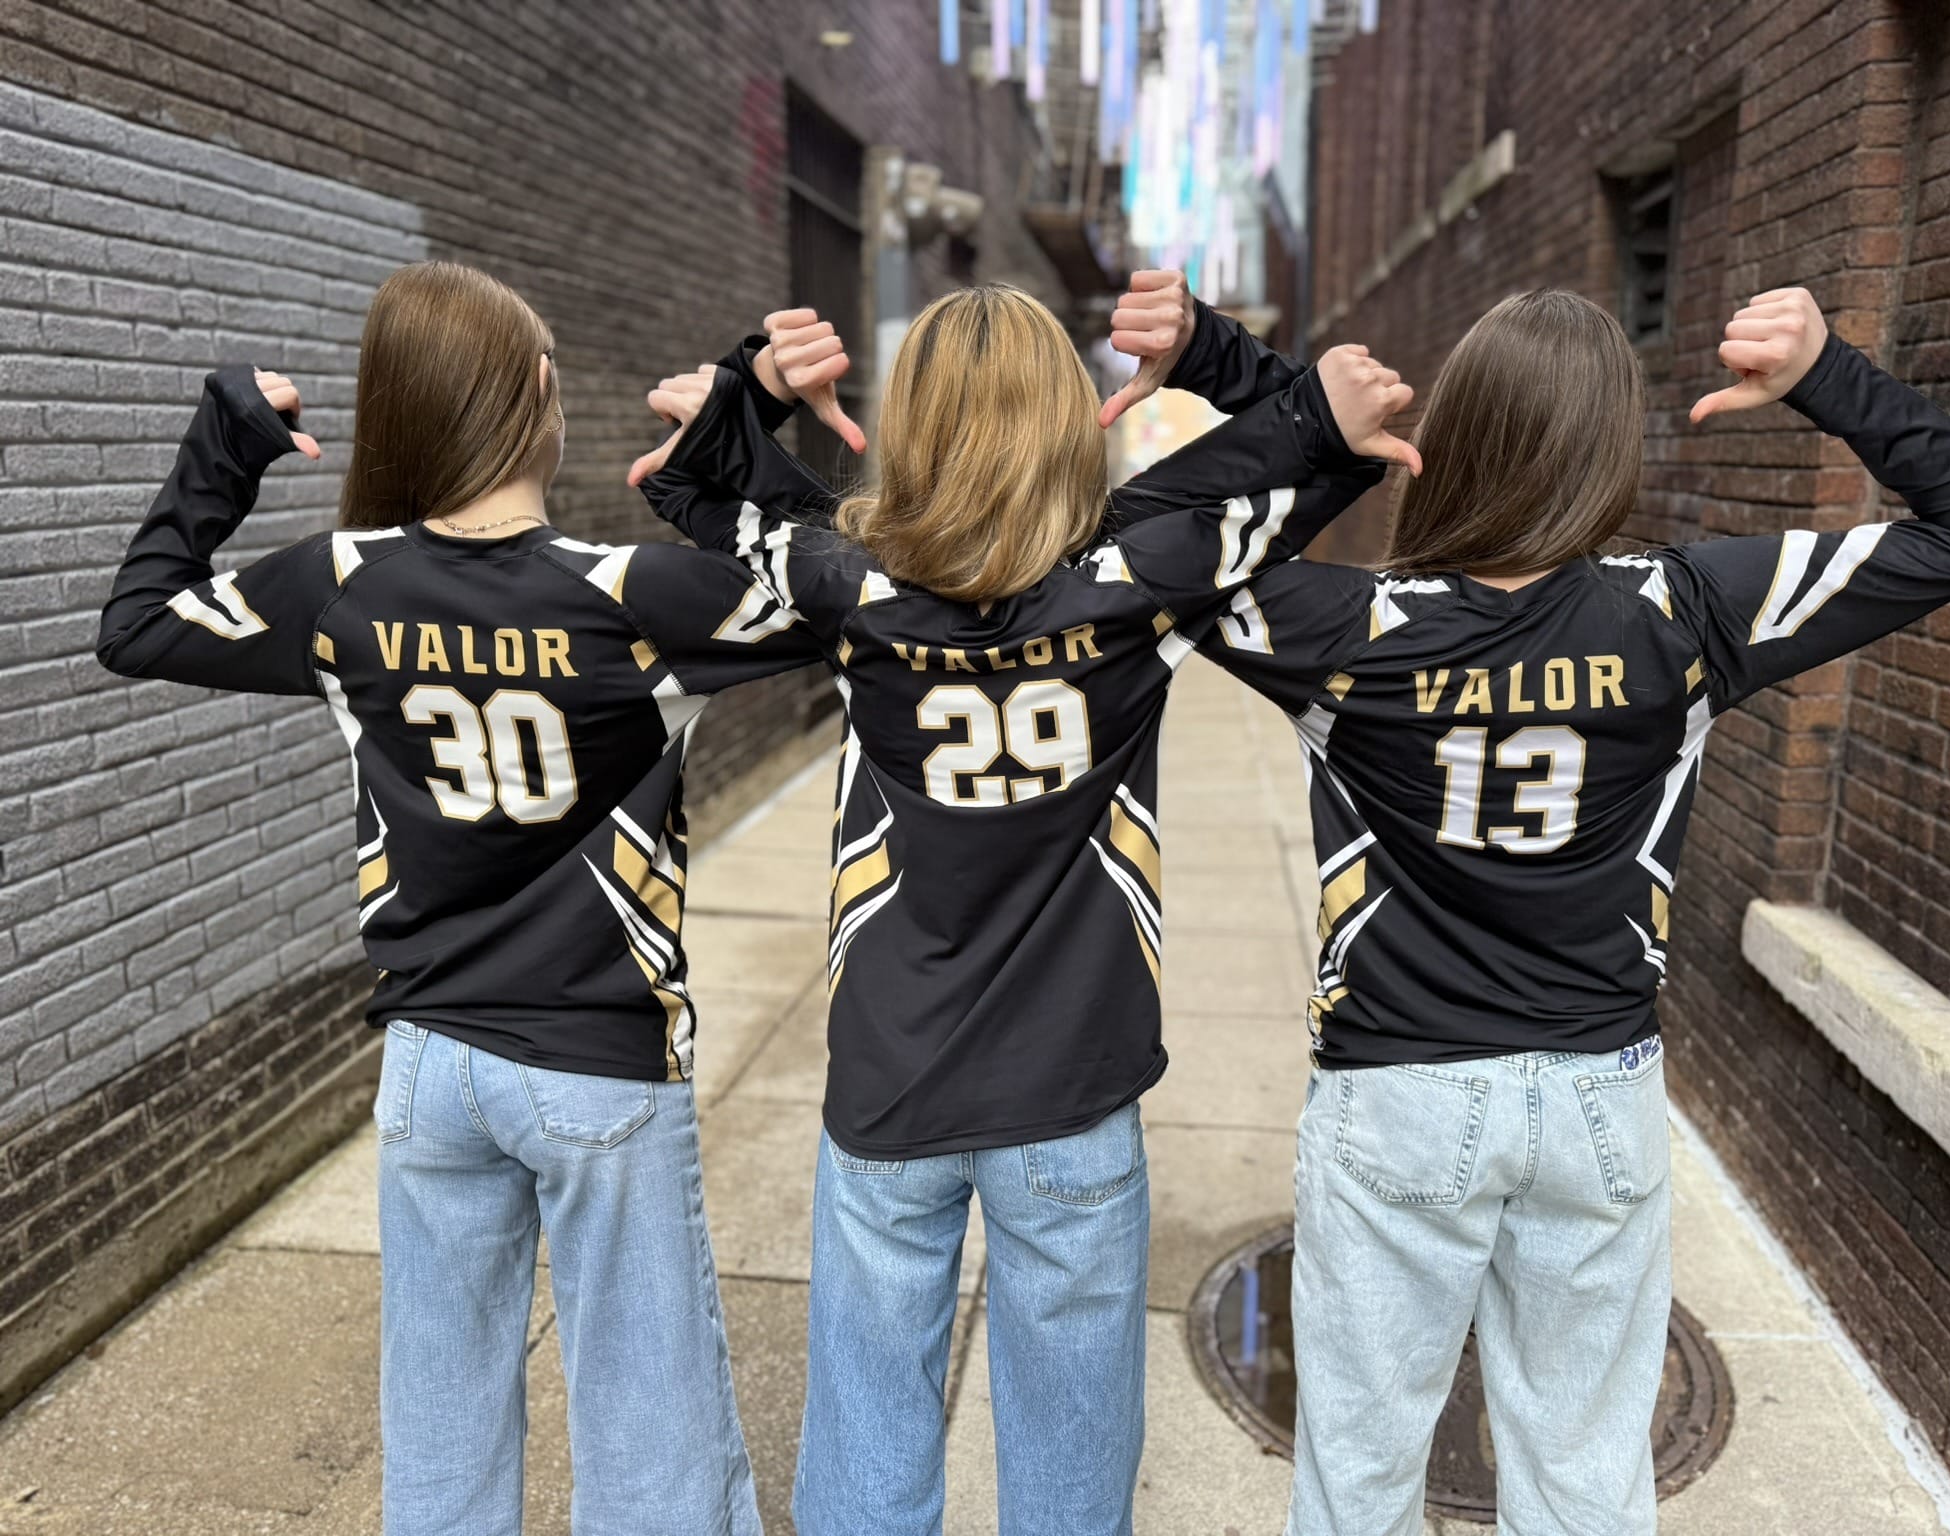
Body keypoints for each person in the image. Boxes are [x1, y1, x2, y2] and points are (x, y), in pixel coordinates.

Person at [1108, 278, 1950, 1536]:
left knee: (1355, 1482)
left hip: (1397, 1099)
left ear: (1450, 441)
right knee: (1583, 1484)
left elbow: (1133, 549)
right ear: (1610, 449)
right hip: (1597, 1098)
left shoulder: (1350, 629)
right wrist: (1827, 377)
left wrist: (1280, 407)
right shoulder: (1685, 611)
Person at [624, 285, 1411, 1536]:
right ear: (1064, 423)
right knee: (1070, 1480)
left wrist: (751, 388)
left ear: (911, 424)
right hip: (1072, 1091)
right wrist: (1211, 356)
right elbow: (1329, 437)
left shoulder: (845, 584)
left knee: (867, 1456)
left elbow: (692, 485)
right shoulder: (1140, 576)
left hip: (890, 1084)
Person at [96, 260, 844, 1536]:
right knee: (652, 1449)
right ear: (537, 394)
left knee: (441, 1442)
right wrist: (740, 432)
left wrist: (226, 442)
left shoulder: (341, 583)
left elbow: (137, 620)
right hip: (598, 1067)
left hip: (430, 1069)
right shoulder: (635, 598)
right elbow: (858, 596)